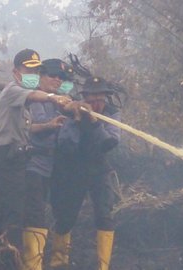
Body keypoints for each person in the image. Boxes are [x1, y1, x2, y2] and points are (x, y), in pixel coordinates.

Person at [0, 49, 72, 269]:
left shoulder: (23, 97)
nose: (33, 74)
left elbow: (29, 125)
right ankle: (8, 262)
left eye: (36, 70)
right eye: (29, 70)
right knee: (12, 215)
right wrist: (56, 98)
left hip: (18, 158)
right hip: (7, 157)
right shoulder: (13, 91)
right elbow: (37, 95)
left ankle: (19, 262)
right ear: (16, 71)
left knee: (20, 214)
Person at [49, 76, 121, 270]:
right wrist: (78, 119)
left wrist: (94, 123)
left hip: (99, 168)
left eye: (100, 99)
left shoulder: (112, 114)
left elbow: (110, 142)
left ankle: (103, 266)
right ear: (84, 98)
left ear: (106, 98)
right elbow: (66, 144)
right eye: (91, 99)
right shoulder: (72, 112)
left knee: (105, 215)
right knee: (66, 215)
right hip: (74, 169)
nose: (96, 103)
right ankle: (58, 261)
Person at [22, 58, 72, 269]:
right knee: (35, 214)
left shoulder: (63, 101)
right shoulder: (32, 99)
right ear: (41, 76)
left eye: (60, 77)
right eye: (52, 76)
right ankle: (32, 265)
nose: (57, 80)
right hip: (34, 163)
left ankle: (59, 261)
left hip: (56, 165)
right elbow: (27, 128)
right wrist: (51, 125)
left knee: (62, 210)